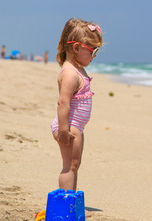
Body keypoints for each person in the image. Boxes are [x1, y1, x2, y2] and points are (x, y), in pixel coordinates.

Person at [50, 18, 103, 200]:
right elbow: (63, 103)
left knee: (74, 164)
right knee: (69, 166)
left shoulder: (78, 69)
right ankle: (66, 204)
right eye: (92, 51)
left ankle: (71, 202)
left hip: (76, 127)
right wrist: (63, 130)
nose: (94, 56)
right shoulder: (71, 73)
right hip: (69, 126)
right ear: (76, 48)